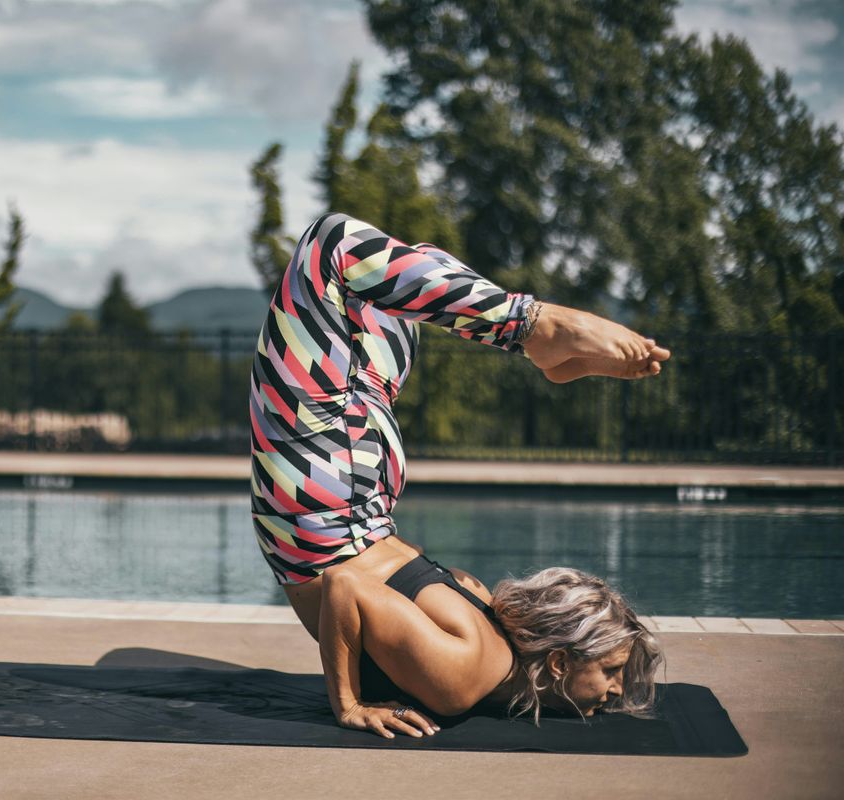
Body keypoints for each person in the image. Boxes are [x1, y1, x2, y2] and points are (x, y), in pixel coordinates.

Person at [249, 212, 667, 738]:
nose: (614, 692)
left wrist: (352, 701)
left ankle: (536, 333)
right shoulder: (469, 669)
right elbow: (358, 585)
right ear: (556, 662)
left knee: (351, 255)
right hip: (331, 493)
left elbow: (347, 584)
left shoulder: (469, 665)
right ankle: (536, 330)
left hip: (337, 495)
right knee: (385, 263)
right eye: (611, 671)